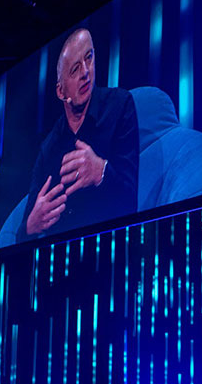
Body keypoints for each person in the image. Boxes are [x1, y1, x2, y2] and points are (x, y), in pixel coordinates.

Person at [17, 28, 139, 242]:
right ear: (61, 91)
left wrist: (101, 172)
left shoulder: (120, 106)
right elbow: (22, 233)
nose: (85, 72)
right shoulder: (49, 147)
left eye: (88, 58)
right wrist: (31, 225)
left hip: (111, 245)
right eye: (74, 70)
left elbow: (130, 201)